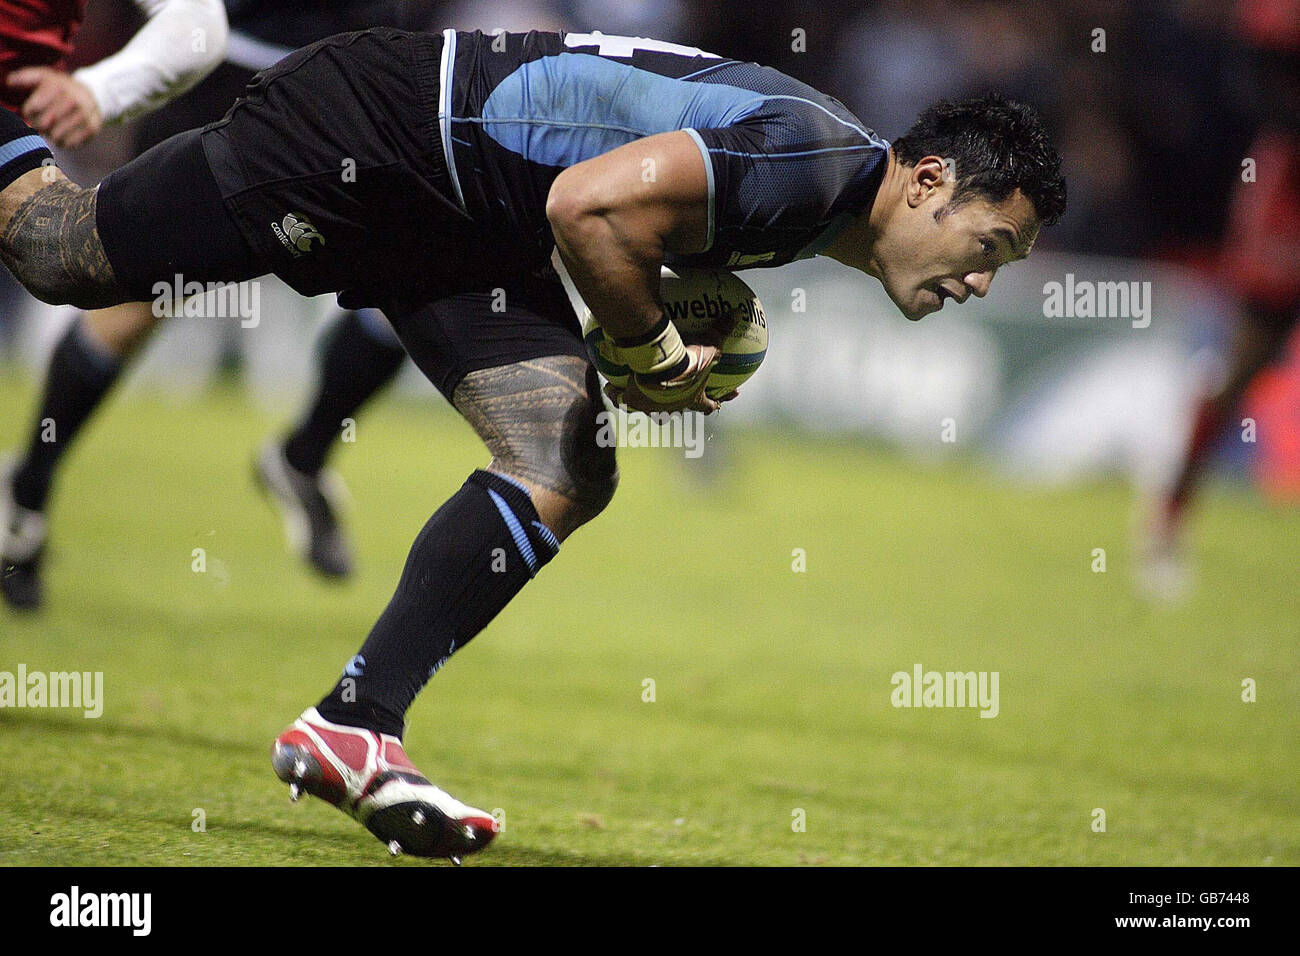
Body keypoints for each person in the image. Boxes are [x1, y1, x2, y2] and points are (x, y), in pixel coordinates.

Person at [0, 27, 1065, 861]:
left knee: (565, 458)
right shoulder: (808, 164)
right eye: (990, 247)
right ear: (926, 182)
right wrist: (648, 347)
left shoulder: (813, 182)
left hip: (460, 206)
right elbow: (586, 206)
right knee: (61, 253)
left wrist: (644, 336)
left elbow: (595, 202)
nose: (978, 280)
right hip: (372, 130)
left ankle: (354, 723)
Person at [0, 1, 439, 611]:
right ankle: (27, 494)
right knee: (133, 297)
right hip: (230, 74)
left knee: (421, 271)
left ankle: (302, 457)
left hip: (369, 83)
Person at [1142, 0, 1300, 596]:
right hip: (1288, 191)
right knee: (1245, 365)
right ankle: (1167, 516)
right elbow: (1260, 91)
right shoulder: (1276, 22)